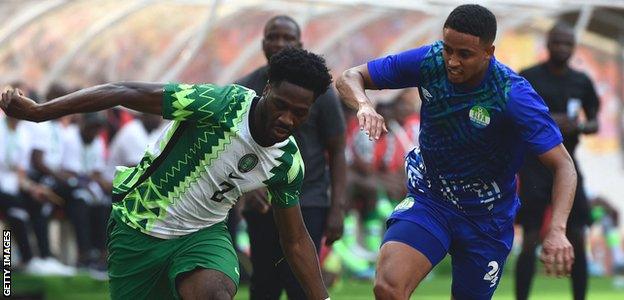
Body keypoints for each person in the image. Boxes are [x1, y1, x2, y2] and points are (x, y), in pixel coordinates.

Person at [1, 47, 332, 300]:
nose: (288, 119)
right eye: (282, 106)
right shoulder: (219, 105)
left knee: (214, 294)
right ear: (268, 87)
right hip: (139, 228)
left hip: (203, 237)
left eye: (299, 113)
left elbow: (296, 239)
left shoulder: (287, 163)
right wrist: (39, 112)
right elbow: (122, 90)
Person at [336, 4, 577, 299]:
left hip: (486, 218)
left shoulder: (512, 95)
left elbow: (564, 165)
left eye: (464, 54)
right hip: (431, 199)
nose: (451, 61)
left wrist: (557, 230)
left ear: (489, 52)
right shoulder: (429, 61)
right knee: (388, 288)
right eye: (448, 48)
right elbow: (350, 76)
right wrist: (364, 105)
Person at [235, 15, 347, 300]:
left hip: (308, 199)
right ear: (263, 43)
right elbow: (233, 149)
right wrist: (247, 189)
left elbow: (336, 150)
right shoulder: (245, 87)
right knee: (264, 283)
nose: (280, 43)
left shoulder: (319, 92)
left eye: (288, 38)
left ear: (300, 43)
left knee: (302, 282)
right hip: (261, 203)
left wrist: (337, 208)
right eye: (274, 36)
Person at [515, 22, 600, 300]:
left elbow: (594, 122)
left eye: (568, 43)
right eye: (558, 42)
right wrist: (551, 122)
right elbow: (515, 117)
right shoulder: (528, 77)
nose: (563, 48)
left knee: (577, 235)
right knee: (529, 238)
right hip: (534, 166)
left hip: (568, 164)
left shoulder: (582, 82)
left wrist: (581, 127)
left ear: (573, 47)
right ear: (548, 44)